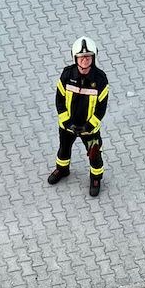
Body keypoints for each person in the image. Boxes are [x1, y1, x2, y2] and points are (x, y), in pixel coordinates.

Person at [48, 36, 108, 197]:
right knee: (63, 150)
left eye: (88, 57)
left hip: (90, 129)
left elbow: (101, 108)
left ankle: (96, 179)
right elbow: (59, 100)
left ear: (94, 57)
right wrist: (67, 122)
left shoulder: (100, 80)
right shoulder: (67, 75)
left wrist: (88, 126)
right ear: (75, 58)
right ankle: (62, 170)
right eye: (81, 57)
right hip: (68, 126)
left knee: (95, 155)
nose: (84, 60)